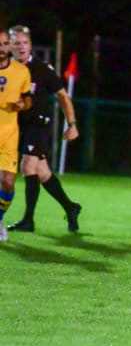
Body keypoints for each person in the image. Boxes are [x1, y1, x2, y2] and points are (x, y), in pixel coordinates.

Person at [7, 25, 82, 233]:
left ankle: (28, 221)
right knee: (42, 172)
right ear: (9, 46)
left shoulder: (42, 69)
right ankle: (71, 207)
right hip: (20, 125)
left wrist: (72, 124)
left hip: (39, 123)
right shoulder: (7, 70)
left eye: (25, 43)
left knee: (27, 167)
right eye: (16, 43)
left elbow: (63, 96)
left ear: (30, 45)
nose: (21, 47)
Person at [0, 29, 33, 240]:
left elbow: (27, 100)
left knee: (8, 183)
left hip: (8, 137)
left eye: (5, 44)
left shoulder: (21, 72)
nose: (1, 48)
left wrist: (22, 105)